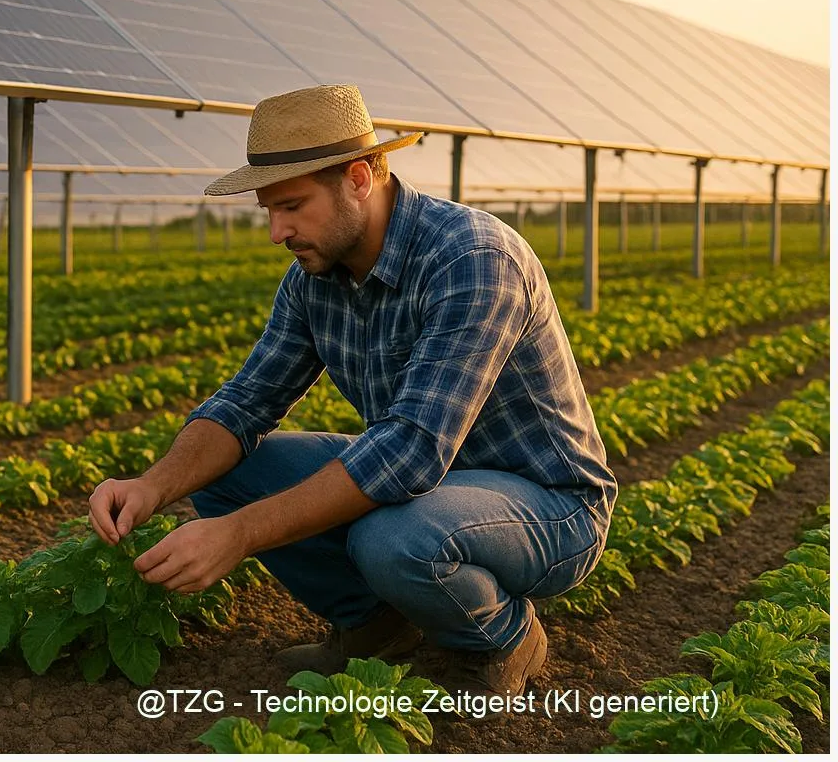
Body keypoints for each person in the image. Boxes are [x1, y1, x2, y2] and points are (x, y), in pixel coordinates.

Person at [87, 84, 616, 708]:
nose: (276, 231)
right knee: (229, 470)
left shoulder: (472, 258)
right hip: (432, 488)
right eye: (268, 211)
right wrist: (155, 484)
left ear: (359, 178)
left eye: (292, 206)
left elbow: (411, 450)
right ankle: (374, 626)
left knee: (395, 539)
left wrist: (237, 535)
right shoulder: (314, 279)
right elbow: (245, 403)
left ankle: (501, 636)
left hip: (548, 505)